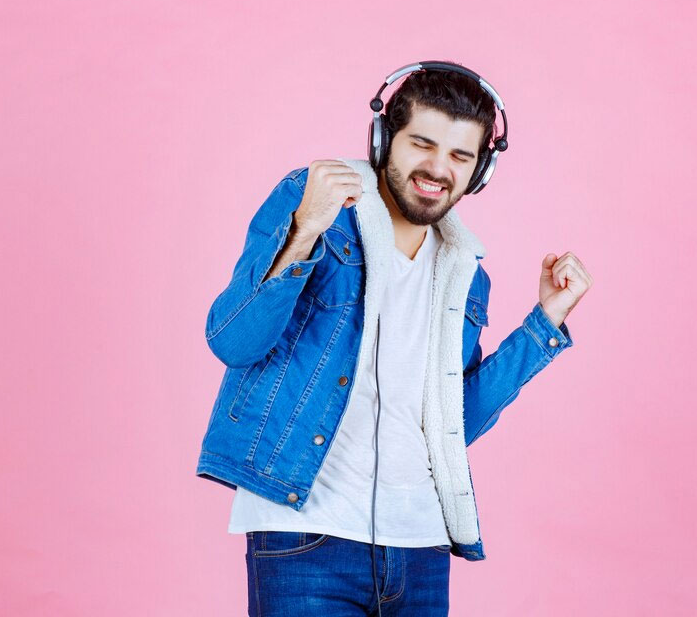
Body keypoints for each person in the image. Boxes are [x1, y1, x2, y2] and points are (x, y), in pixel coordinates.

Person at [196, 62, 592, 616]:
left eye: (460, 155)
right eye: (422, 144)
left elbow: (454, 423)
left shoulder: (465, 274)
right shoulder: (316, 205)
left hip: (421, 548)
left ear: (481, 170)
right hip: (306, 536)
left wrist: (542, 326)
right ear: (384, 139)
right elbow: (233, 341)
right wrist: (304, 230)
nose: (437, 168)